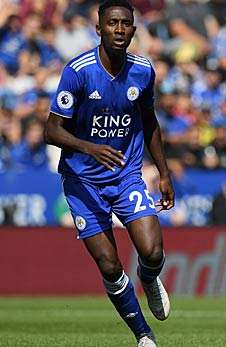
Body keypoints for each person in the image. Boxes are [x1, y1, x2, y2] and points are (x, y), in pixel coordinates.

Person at [44, 1, 173, 346]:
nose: (119, 29)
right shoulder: (79, 71)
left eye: (125, 24)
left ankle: (149, 279)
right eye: (112, 23)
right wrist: (90, 147)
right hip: (82, 181)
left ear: (133, 29)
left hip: (125, 173)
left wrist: (163, 172)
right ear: (98, 29)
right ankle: (143, 335)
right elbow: (51, 131)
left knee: (153, 252)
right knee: (110, 266)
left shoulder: (143, 70)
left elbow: (149, 121)